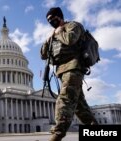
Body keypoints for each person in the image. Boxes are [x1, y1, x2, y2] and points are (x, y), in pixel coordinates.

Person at [40, 7, 98, 141]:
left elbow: (71, 39)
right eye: (48, 21)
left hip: (74, 68)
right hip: (62, 72)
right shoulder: (54, 34)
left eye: (52, 19)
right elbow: (43, 55)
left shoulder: (73, 25)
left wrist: (59, 32)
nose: (51, 22)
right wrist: (49, 38)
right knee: (80, 107)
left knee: (64, 100)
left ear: (59, 17)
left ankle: (57, 134)